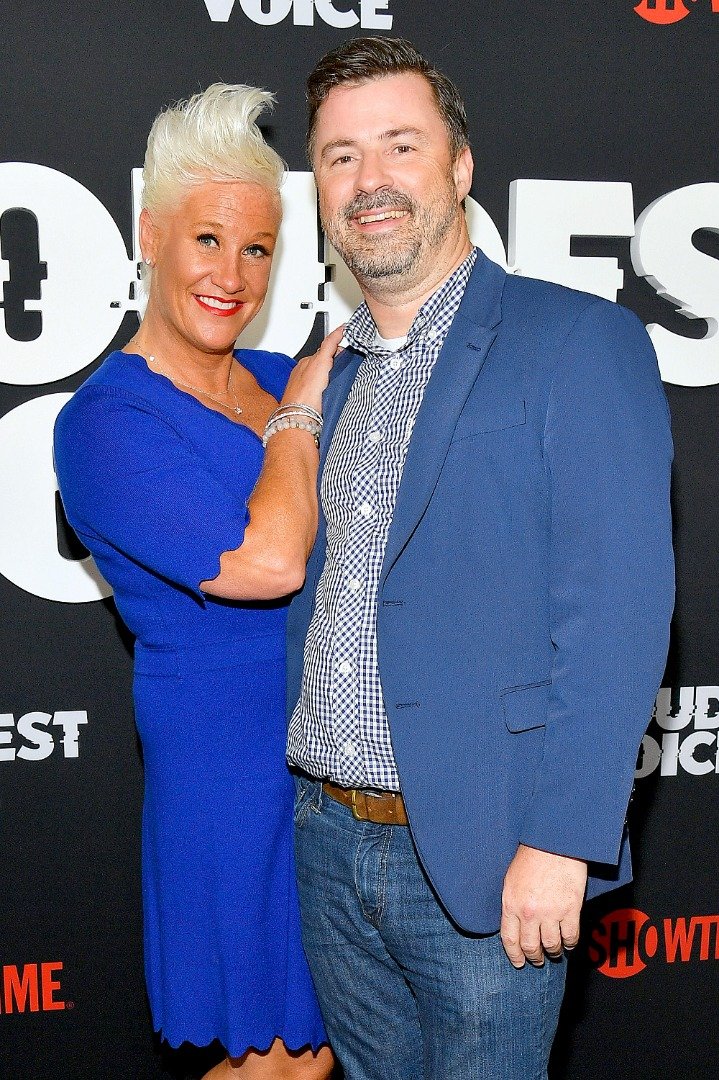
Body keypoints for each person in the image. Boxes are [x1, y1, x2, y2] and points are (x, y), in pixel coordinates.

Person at [286, 37, 675, 1080]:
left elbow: (620, 613)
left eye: (399, 146)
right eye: (338, 157)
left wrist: (562, 841)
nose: (369, 181)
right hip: (325, 838)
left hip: (482, 849)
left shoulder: (574, 341)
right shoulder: (331, 378)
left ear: (458, 168)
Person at [54, 84, 338, 1080]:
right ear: (150, 235)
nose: (231, 274)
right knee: (276, 1059)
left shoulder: (274, 372)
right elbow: (266, 565)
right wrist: (300, 418)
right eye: (206, 240)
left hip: (334, 756)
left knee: (321, 1051)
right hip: (228, 765)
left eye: (256, 248)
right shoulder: (105, 422)